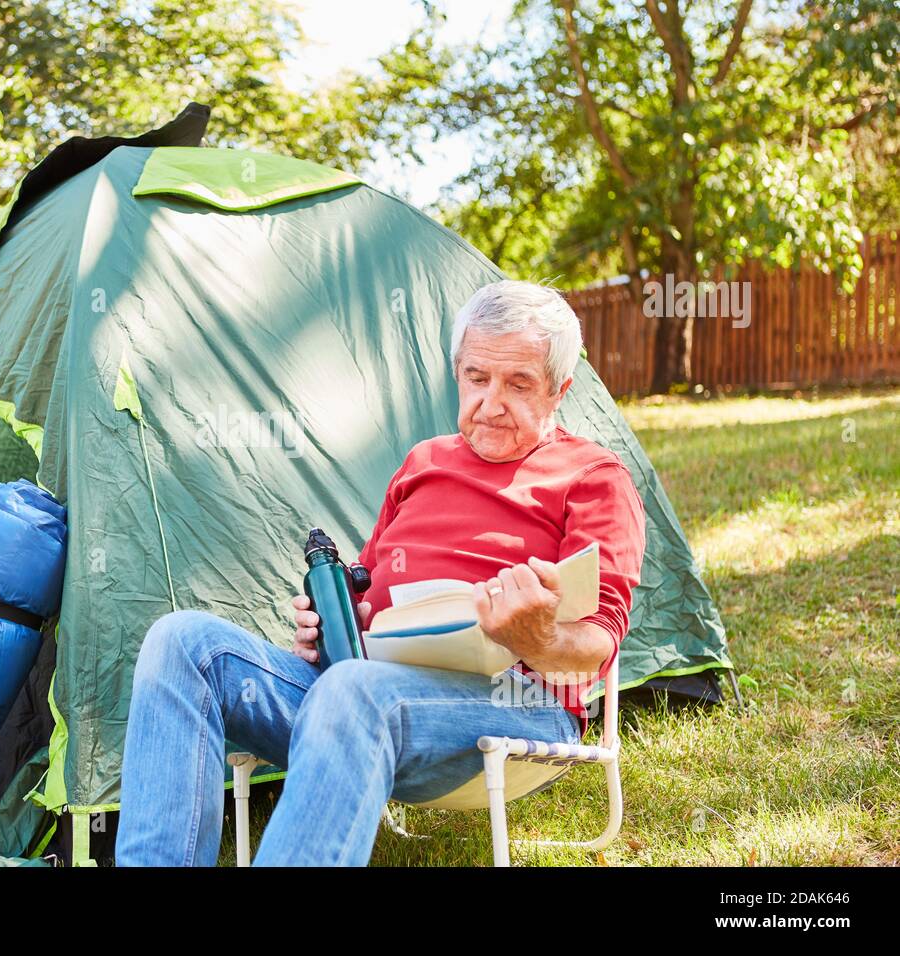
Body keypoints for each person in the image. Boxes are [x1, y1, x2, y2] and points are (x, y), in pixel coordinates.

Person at [114, 280, 647, 866]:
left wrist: (538, 637)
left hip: (514, 703)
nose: (491, 403)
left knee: (351, 690)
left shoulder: (593, 477)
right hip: (359, 691)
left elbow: (598, 643)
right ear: (457, 373)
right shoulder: (423, 462)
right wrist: (333, 626)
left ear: (559, 389)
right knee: (180, 642)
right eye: (476, 378)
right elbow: (370, 590)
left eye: (518, 385)